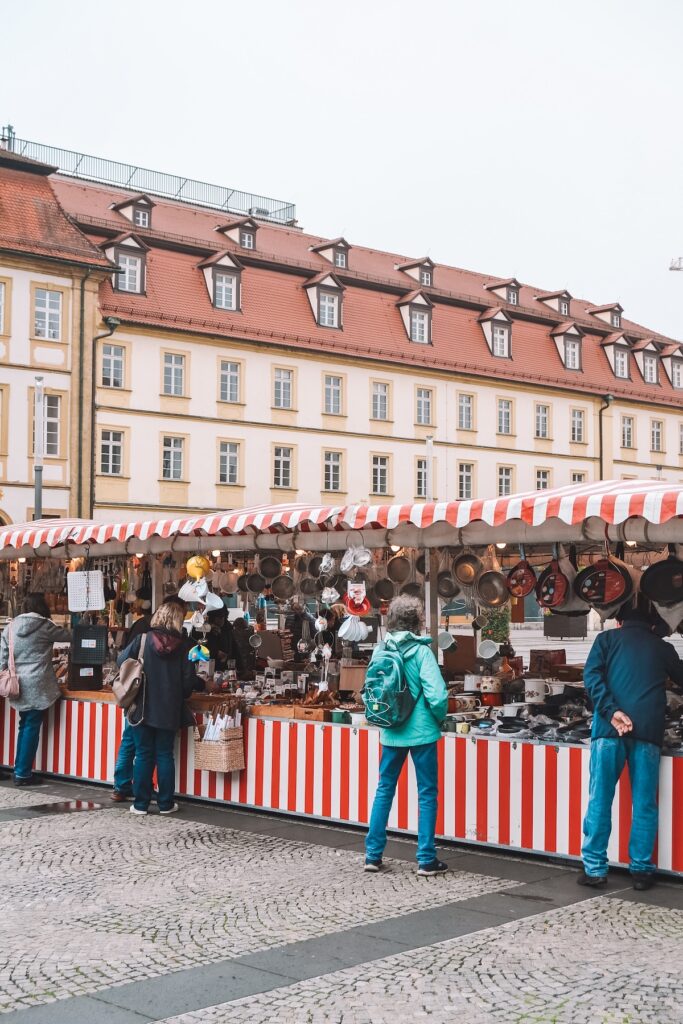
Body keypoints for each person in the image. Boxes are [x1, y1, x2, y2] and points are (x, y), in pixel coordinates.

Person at [580, 598, 683, 890]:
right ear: (653, 625)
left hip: (609, 731)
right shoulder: (662, 647)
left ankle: (595, 870)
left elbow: (591, 678)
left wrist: (612, 712)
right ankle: (641, 870)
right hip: (647, 731)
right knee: (645, 803)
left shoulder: (606, 640)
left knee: (600, 801)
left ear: (619, 622)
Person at [364, 595, 449, 876]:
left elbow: (372, 689)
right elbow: (436, 695)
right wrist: (437, 719)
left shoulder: (380, 650)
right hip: (422, 732)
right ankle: (426, 859)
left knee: (384, 789)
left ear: (392, 621)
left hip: (390, 731)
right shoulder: (422, 652)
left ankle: (373, 855)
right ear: (417, 622)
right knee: (426, 793)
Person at [116, 599, 196, 815]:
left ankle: (140, 804)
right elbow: (189, 684)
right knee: (164, 755)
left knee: (143, 754)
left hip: (141, 708)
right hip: (169, 710)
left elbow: (121, 662)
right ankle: (166, 804)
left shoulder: (142, 640)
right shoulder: (184, 647)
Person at [0, 594, 70, 786]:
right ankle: (22, 773)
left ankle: (19, 769)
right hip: (39, 684)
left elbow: (3, 658)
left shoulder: (10, 627)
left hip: (18, 683)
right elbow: (69, 636)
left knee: (25, 725)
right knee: (31, 726)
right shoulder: (45, 627)